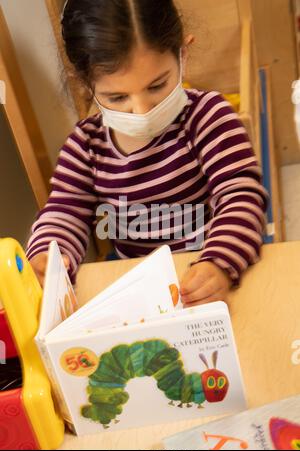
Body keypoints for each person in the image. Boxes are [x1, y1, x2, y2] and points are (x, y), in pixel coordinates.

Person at [26, 0, 268, 307]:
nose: (141, 111)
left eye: (157, 86)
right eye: (117, 97)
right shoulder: (85, 145)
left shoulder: (208, 117)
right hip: (140, 288)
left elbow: (241, 195)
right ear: (84, 83)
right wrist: (49, 257)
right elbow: (64, 213)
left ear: (183, 54)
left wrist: (220, 262)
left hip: (210, 276)